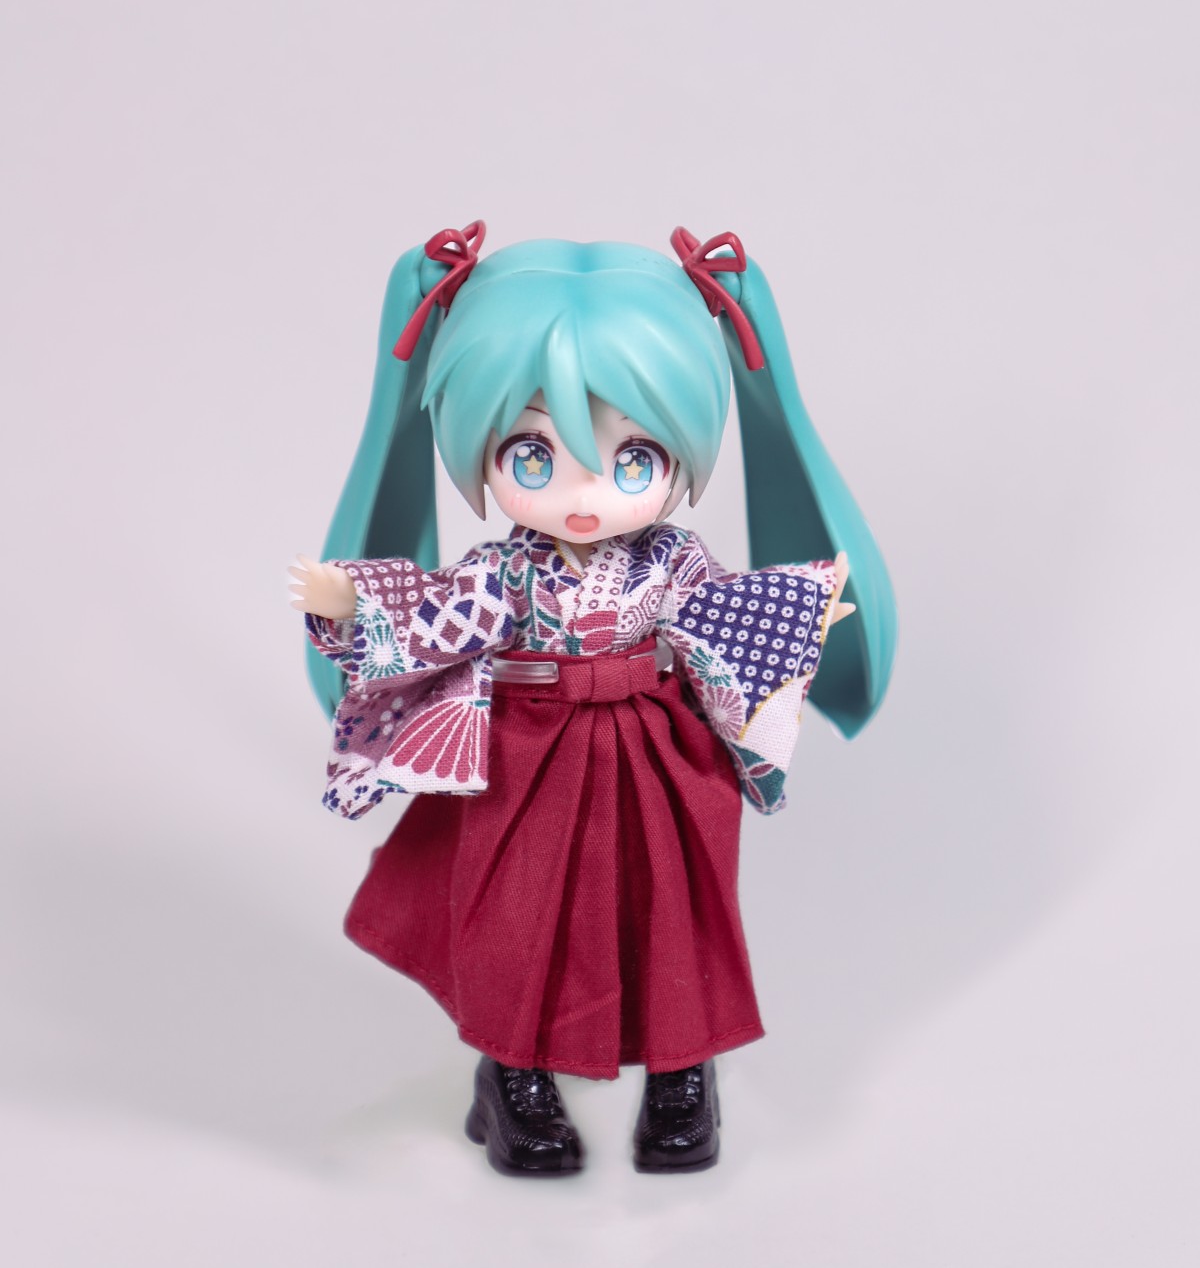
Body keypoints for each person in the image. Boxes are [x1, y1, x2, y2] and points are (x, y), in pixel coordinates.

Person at [289, 223, 896, 1177]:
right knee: (519, 914)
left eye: (633, 459)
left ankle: (682, 1077)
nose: (583, 493)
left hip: (659, 747)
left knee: (674, 905)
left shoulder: (672, 559)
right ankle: (513, 1075)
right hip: (527, 753)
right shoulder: (507, 570)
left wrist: (796, 611)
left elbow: (721, 616)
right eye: (532, 456)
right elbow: (443, 616)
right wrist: (357, 605)